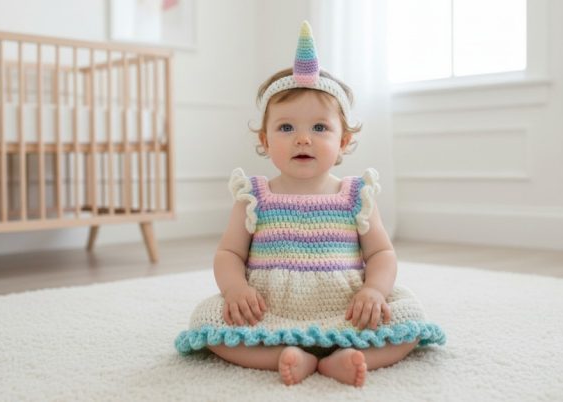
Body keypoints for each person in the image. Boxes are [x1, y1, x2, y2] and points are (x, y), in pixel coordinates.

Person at [175, 21, 445, 387]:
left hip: (346, 307)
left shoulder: (355, 194)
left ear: (345, 140)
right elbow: (229, 254)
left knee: (409, 316)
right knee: (207, 319)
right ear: (265, 140)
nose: (303, 139)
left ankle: (347, 358)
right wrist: (236, 289)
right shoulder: (252, 195)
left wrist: (373, 291)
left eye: (320, 128)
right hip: (271, 308)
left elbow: (382, 253)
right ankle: (286, 357)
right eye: (286, 128)